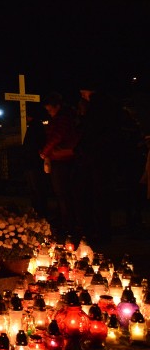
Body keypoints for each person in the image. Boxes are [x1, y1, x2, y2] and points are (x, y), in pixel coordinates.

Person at [74, 81, 124, 244]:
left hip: (96, 158)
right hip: (104, 156)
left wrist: (81, 150)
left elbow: (91, 132)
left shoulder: (95, 107)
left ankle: (100, 233)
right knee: (101, 196)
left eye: (82, 92)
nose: (82, 95)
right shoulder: (109, 105)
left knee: (96, 196)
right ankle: (102, 231)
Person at [39, 92, 80, 238]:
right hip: (60, 157)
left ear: (57, 107)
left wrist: (44, 152)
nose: (49, 113)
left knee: (63, 193)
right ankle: (67, 222)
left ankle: (69, 224)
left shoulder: (62, 119)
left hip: (62, 158)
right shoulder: (63, 117)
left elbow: (57, 136)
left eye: (50, 110)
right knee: (63, 194)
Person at [21, 113, 49, 218]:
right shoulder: (35, 126)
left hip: (33, 163)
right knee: (36, 189)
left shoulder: (34, 127)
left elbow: (31, 145)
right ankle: (38, 211)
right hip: (33, 163)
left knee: (37, 189)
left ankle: (40, 212)